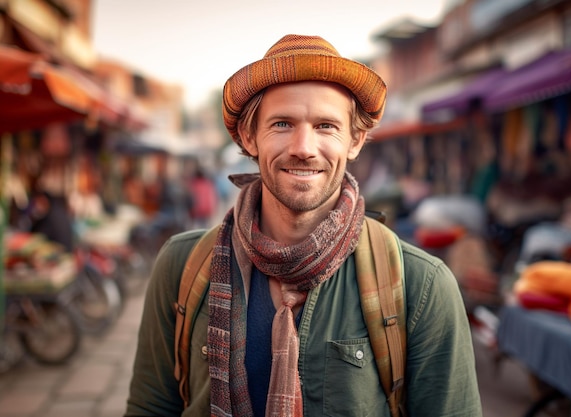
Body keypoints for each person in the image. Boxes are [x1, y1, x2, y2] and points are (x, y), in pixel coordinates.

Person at [125, 34, 482, 417]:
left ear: (355, 140)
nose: (303, 147)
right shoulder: (183, 265)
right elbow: (152, 406)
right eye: (282, 123)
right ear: (250, 136)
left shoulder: (420, 285)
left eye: (326, 126)